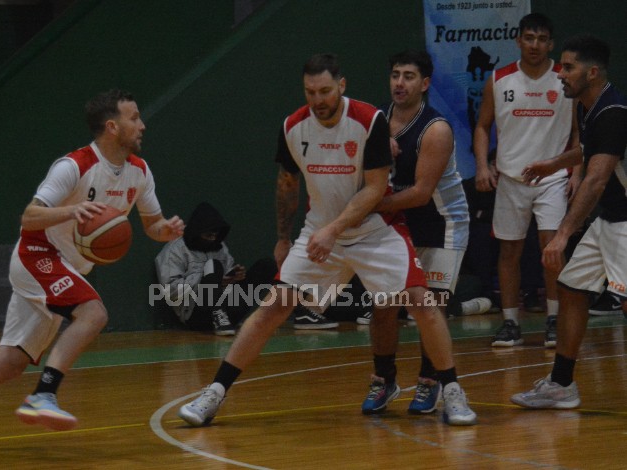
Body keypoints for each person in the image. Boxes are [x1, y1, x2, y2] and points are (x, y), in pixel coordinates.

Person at [178, 53, 476, 427]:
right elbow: (286, 185)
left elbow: (376, 189)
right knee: (273, 306)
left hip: (375, 232)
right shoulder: (292, 126)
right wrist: (283, 238)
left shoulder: (370, 122)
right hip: (318, 231)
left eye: (324, 91)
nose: (318, 99)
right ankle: (214, 393)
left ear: (342, 86)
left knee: (422, 302)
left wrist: (334, 229)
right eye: (310, 92)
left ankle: (451, 390)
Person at [0, 89, 185, 431]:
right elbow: (29, 217)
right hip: (37, 255)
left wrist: (167, 230)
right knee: (93, 312)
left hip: (68, 267)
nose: (142, 125)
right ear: (112, 127)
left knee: (9, 364)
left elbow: (152, 225)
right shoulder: (74, 165)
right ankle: (43, 395)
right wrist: (72, 210)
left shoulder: (139, 171)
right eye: (133, 118)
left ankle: (39, 393)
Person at [511, 34, 627, 408]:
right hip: (610, 220)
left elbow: (596, 178)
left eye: (569, 67)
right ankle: (561, 384)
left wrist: (562, 234)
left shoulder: (613, 112)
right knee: (572, 289)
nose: (561, 73)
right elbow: (589, 151)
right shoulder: (587, 105)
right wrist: (555, 163)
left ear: (592, 72)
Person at [473, 13, 579, 348]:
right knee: (509, 251)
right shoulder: (499, 79)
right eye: (529, 37)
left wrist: (576, 171)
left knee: (551, 247)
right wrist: (482, 166)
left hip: (552, 178)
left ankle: (553, 318)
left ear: (551, 44)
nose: (535, 45)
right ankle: (509, 323)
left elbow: (579, 131)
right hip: (510, 177)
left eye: (542, 39)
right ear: (518, 40)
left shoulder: (566, 79)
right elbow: (482, 126)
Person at [373, 50, 471, 415]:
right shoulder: (376, 121)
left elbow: (419, 193)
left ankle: (430, 381)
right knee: (382, 307)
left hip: (442, 224)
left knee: (429, 309)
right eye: (395, 74)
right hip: (397, 224)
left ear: (425, 83)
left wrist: (363, 208)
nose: (400, 82)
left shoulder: (436, 128)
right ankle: (384, 379)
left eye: (409, 76)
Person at [155, 202, 336, 335]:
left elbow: (226, 274)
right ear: (196, 231)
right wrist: (206, 278)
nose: (212, 239)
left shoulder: (219, 247)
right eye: (207, 235)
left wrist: (233, 277)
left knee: (266, 266)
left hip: (228, 312)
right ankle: (217, 314)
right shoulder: (175, 250)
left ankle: (301, 313)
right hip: (197, 314)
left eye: (215, 235)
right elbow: (171, 291)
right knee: (213, 266)